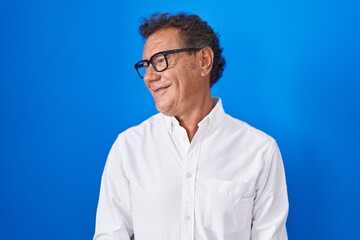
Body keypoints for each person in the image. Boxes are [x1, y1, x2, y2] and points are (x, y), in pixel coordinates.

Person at [93, 12, 288, 240]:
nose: (148, 77)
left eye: (160, 60)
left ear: (204, 61)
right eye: (146, 65)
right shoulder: (129, 148)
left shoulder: (260, 151)